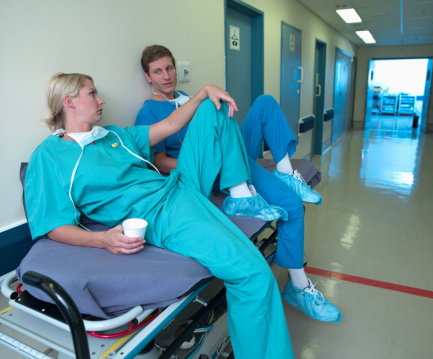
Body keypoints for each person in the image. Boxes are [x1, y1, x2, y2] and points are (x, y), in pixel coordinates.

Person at [24, 72, 294, 358]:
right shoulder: (50, 155)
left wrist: (203, 92)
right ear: (70, 101)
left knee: (213, 108)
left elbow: (170, 124)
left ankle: (241, 197)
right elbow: (55, 226)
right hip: (161, 211)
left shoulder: (113, 135)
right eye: (92, 93)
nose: (101, 100)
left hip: (179, 183)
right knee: (252, 274)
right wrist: (103, 240)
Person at [135, 45, 342, 323]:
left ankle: (285, 171)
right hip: (204, 172)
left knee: (265, 103)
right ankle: (299, 286)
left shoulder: (188, 98)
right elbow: (159, 162)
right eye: (157, 71)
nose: (166, 76)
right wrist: (213, 162)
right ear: (148, 77)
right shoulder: (149, 112)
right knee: (291, 205)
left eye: (169, 68)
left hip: (227, 156)